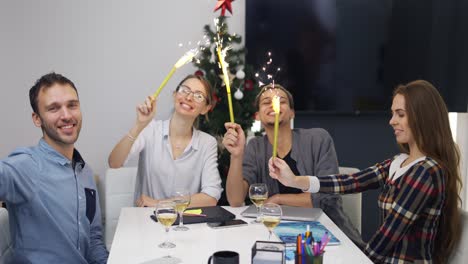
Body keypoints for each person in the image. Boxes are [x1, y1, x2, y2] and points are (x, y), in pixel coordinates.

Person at [269, 80, 462, 263]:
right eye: (393, 113)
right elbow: (351, 182)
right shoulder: (399, 163)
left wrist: (356, 259)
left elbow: (388, 235)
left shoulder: (426, 172)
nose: (392, 121)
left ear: (422, 116)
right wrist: (294, 180)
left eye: (400, 114)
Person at [222, 83, 364, 247]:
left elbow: (326, 198)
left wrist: (277, 199)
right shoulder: (255, 147)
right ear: (258, 116)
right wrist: (236, 156)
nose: (273, 104)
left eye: (281, 101)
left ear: (292, 113)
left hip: (326, 234)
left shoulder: (317, 139)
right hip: (271, 233)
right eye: (266, 102)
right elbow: (235, 200)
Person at [0, 73, 108, 263]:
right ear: (37, 119)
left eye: (72, 105)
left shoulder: (86, 173)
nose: (66, 115)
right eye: (54, 108)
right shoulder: (26, 165)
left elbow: (94, 239)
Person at [108, 74, 223, 208]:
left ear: (205, 108)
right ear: (175, 95)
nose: (189, 97)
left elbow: (211, 197)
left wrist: (159, 203)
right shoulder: (150, 129)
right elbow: (114, 162)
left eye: (198, 96)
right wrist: (139, 125)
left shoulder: (207, 143)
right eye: (184, 90)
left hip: (185, 225)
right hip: (146, 222)